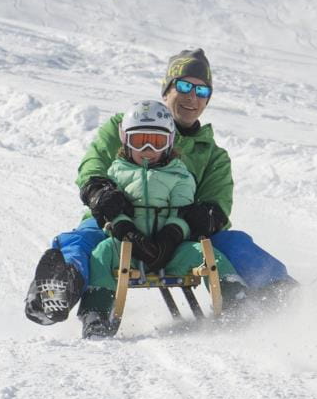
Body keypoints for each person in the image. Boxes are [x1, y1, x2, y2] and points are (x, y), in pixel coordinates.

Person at [25, 49, 291, 326]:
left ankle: (283, 296)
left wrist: (182, 227)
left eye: (202, 91)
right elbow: (92, 166)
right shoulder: (124, 124)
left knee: (232, 243)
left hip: (179, 234)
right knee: (82, 240)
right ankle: (57, 290)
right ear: (167, 90)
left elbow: (218, 203)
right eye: (185, 86)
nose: (192, 97)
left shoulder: (212, 154)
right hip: (115, 222)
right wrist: (102, 193)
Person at [24, 100, 244, 337]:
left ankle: (236, 300)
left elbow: (184, 212)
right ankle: (93, 313)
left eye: (157, 141)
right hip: (126, 247)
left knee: (207, 254)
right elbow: (111, 211)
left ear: (169, 142)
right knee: (101, 254)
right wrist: (124, 229)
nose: (148, 148)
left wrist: (172, 235)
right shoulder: (116, 173)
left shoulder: (180, 175)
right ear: (126, 142)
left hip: (171, 250)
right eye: (139, 141)